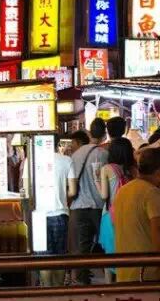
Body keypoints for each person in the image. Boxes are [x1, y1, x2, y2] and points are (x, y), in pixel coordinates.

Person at [67, 118, 109, 285]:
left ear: (90, 133)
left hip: (78, 208)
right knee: (105, 245)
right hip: (99, 207)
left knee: (81, 248)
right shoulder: (104, 154)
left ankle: (83, 284)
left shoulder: (75, 155)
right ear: (104, 134)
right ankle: (110, 281)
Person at [114, 147, 160, 282]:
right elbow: (158, 231)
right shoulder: (151, 193)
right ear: (158, 173)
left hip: (125, 271)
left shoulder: (123, 190)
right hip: (147, 274)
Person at [95, 137, 136, 283]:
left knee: (110, 252)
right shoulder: (133, 170)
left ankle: (109, 288)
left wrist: (96, 180)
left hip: (110, 215)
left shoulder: (107, 169)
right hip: (130, 215)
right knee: (126, 250)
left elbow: (104, 195)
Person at [40, 135, 73, 287]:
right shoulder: (66, 160)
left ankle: (47, 291)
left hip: (39, 215)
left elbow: (27, 191)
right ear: (57, 143)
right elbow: (73, 190)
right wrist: (61, 195)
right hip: (61, 214)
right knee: (60, 256)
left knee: (44, 257)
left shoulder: (31, 160)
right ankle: (59, 291)